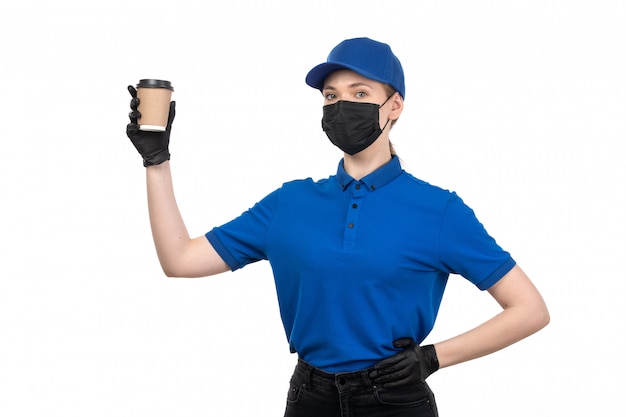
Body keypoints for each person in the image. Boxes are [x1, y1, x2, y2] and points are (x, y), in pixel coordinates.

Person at [125, 37, 549, 417]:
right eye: (331, 96)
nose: (341, 105)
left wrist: (431, 359)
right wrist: (156, 162)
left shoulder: (439, 210)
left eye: (359, 92)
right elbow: (179, 259)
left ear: (395, 106)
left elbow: (529, 310)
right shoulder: (289, 203)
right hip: (309, 397)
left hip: (396, 400)